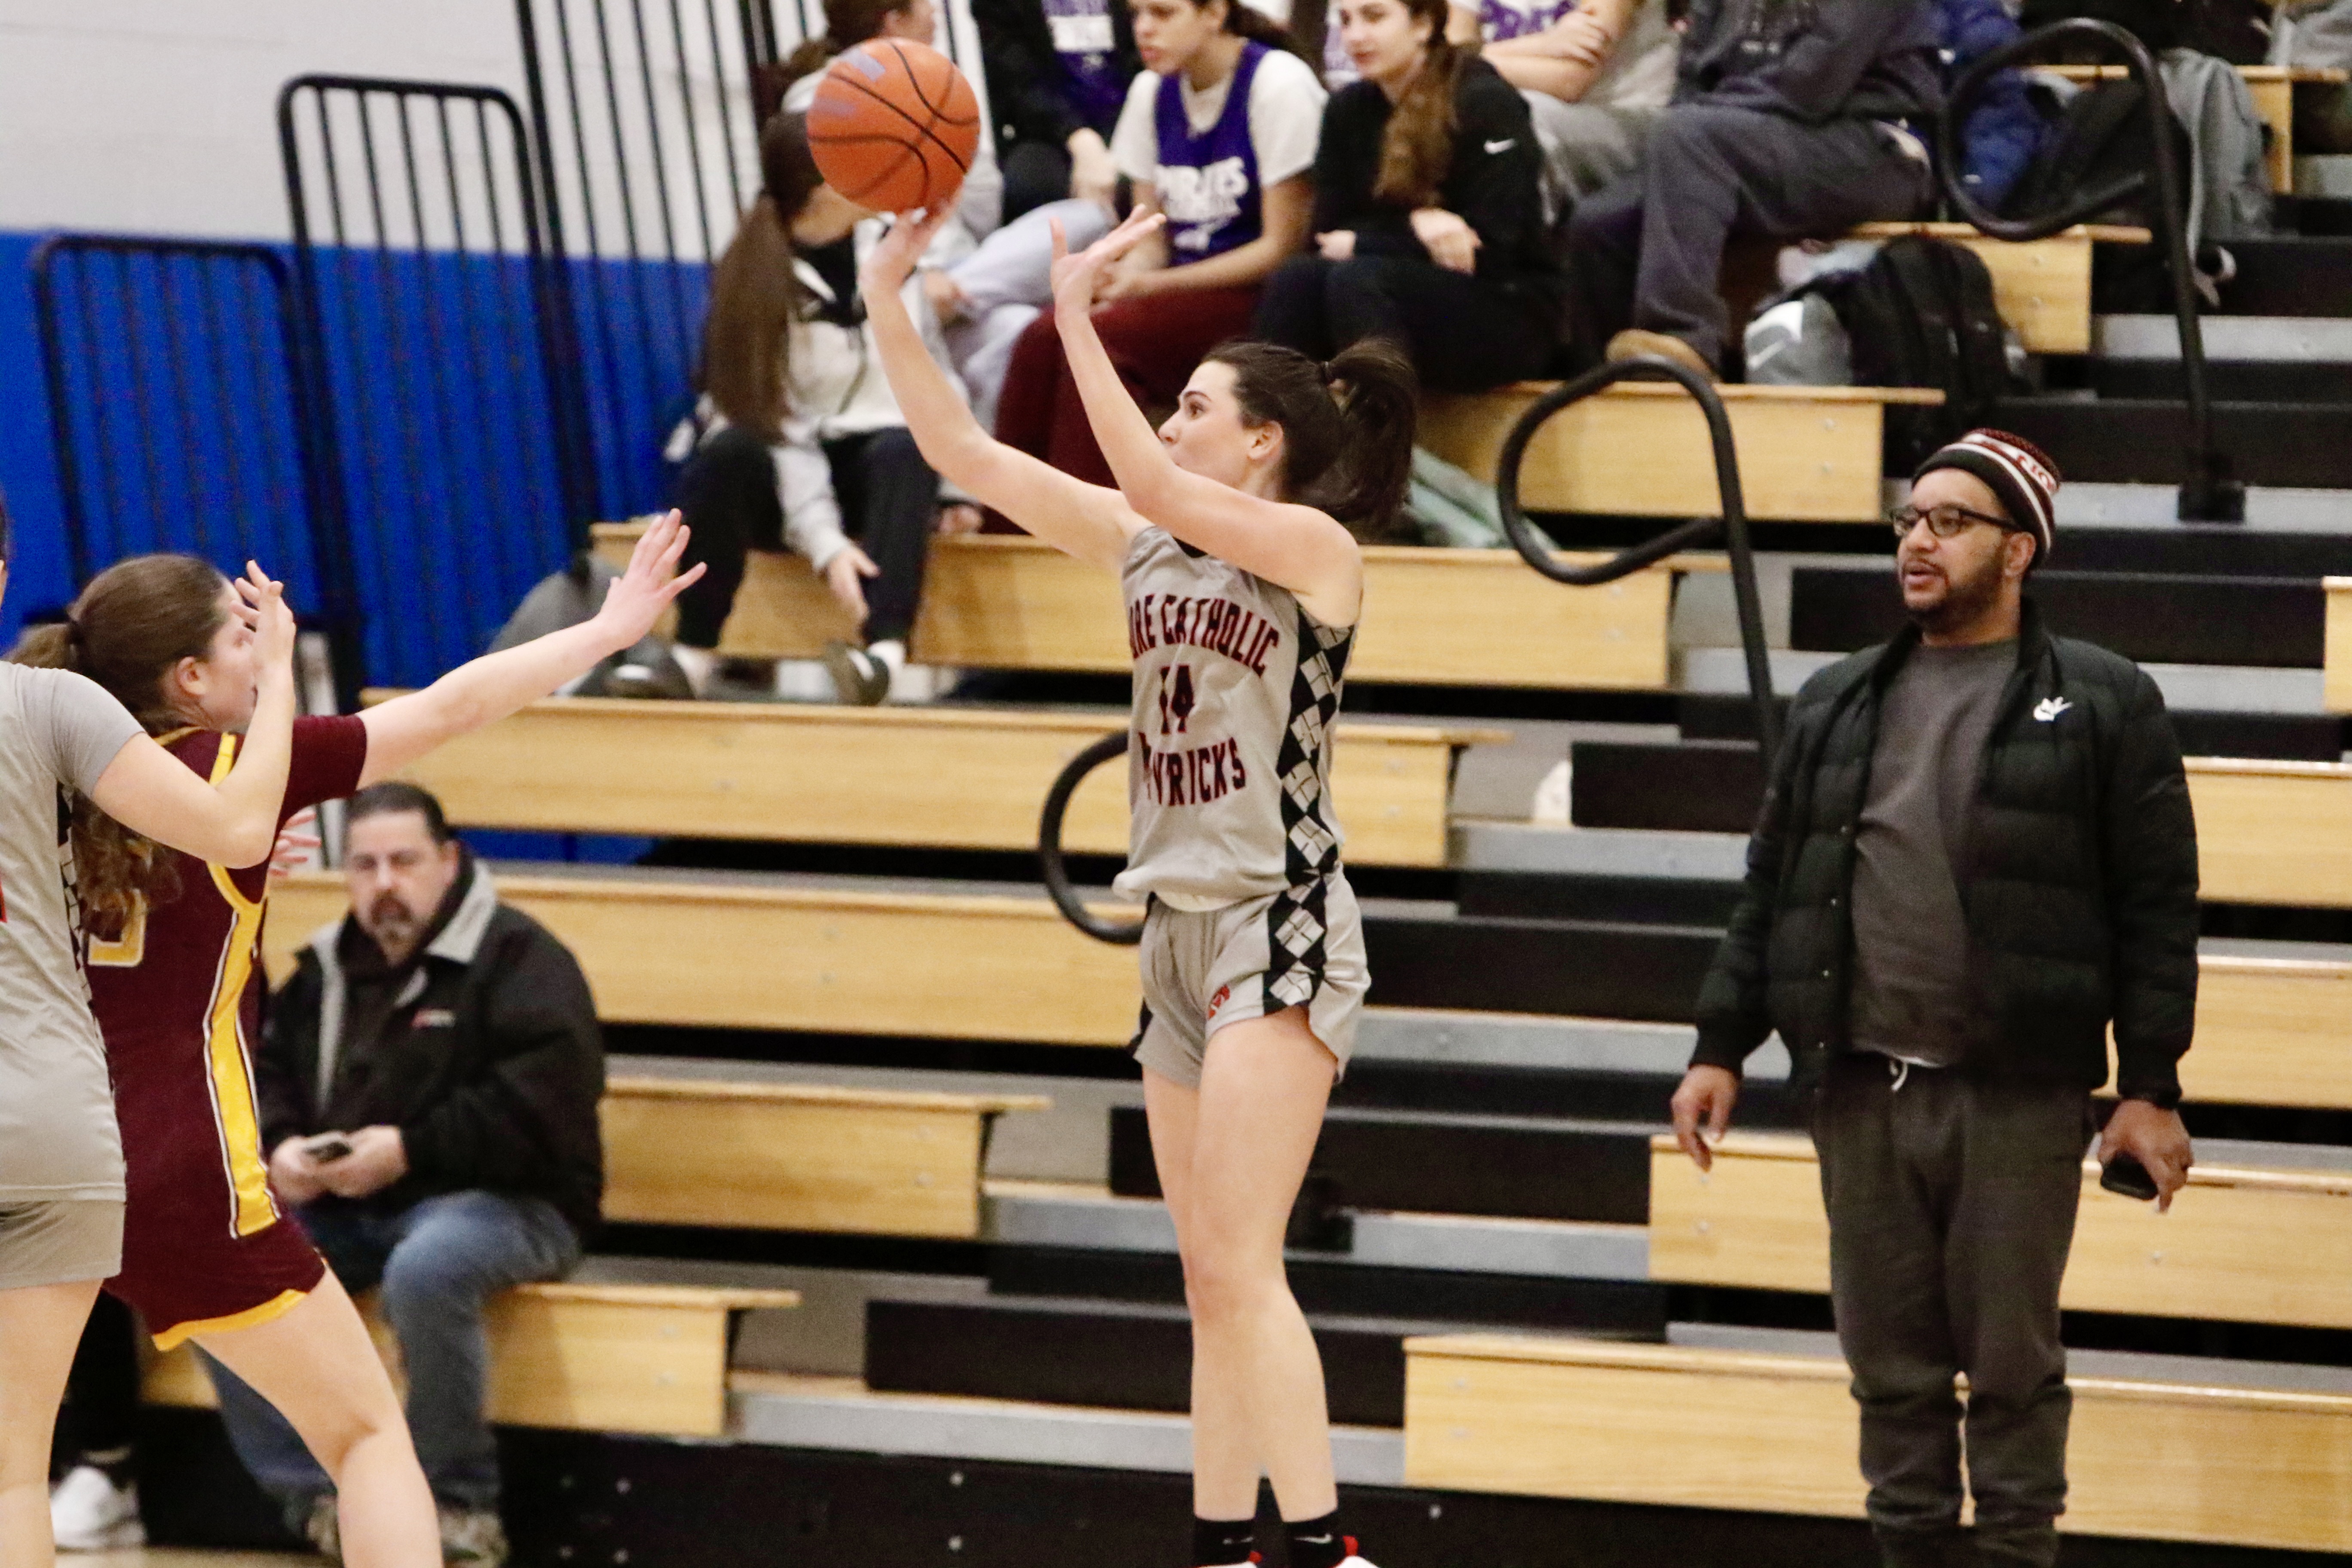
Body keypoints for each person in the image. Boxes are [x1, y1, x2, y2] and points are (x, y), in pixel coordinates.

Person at [863, 196, 1407, 1568]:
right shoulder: (1147, 540)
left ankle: (1333, 1551)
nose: (1168, 425)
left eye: (1195, 405)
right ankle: (1223, 1548)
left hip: (1275, 920)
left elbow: (1163, 487)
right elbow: (958, 448)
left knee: (1243, 1259)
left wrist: (1072, 320)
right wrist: (886, 301)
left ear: (1262, 441)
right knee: (1208, 1277)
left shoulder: (1318, 556)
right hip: (1170, 929)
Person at [9, 515, 700, 1568]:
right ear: (192, 676)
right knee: (369, 1437)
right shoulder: (239, 765)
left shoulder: (44, 778)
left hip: (42, 1150)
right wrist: (608, 631)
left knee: (15, 1469)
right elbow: (453, 703)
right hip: (181, 1162)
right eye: (244, 639)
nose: (260, 651)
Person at [1670, 430, 2200, 1568]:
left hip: (2016, 1094)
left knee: (2012, 1374)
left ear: (2020, 549)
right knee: (1891, 1379)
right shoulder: (1838, 698)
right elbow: (1777, 881)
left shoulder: (2105, 699)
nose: (1917, 541)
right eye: (1909, 520)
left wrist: (2148, 1087)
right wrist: (1720, 1041)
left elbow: (2158, 908)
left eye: (1949, 522)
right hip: (1861, 1087)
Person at [0, 505, 299, 1568]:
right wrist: (284, 699)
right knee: (12, 1473)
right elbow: (227, 828)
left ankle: (111, 1468)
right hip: (73, 1118)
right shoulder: (50, 713)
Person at [204, 783, 602, 1566]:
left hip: (514, 1202)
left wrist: (411, 1148)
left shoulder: (524, 958)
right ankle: (320, 1501)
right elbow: (265, 1072)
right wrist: (282, 1146)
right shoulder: (323, 967)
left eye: (404, 861)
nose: (384, 882)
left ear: (449, 861)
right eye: (365, 864)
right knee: (216, 1267)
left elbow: (545, 1106)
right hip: (350, 1207)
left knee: (427, 1266)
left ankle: (455, 1505)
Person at [670, 113, 979, 705]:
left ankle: (882, 658)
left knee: (904, 443)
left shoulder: (889, 252)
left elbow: (935, 375)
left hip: (869, 466)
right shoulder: (753, 278)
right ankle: (692, 655)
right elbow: (776, 429)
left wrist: (961, 487)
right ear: (822, 189)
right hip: (779, 477)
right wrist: (825, 541)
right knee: (726, 455)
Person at [993, 0, 1326, 487]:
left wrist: (1151, 285)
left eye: (1163, 13)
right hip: (1176, 293)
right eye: (1136, 15)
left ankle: (1098, 528)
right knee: (1043, 335)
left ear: (1214, 14)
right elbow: (1151, 234)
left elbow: (1280, 248)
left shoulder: (1278, 83)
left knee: (1104, 342)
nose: (1144, 30)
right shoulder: (1151, 90)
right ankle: (1010, 533)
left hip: (1257, 298)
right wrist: (1123, 275)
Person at [776, 0, 1116, 432]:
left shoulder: (939, 83)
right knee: (1021, 319)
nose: (937, 10)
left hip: (963, 271)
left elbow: (981, 204)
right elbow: (832, 219)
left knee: (1081, 230)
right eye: (926, 3)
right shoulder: (820, 97)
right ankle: (930, 299)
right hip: (885, 282)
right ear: (894, 19)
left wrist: (962, 276)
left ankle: (948, 300)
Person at [1565, 0, 1944, 379]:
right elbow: (1692, 78)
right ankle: (1596, 390)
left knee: (1688, 135)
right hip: (1751, 136)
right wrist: (1699, 122)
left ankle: (1682, 339)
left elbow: (1814, 83)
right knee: (1599, 222)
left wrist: (1703, 122)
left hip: (1875, 144)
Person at [1253, 0, 1566, 394]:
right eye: (1346, 21)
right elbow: (1326, 236)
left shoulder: (1484, 100)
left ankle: (1382, 442)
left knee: (1362, 279)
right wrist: (1418, 225)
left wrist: (1366, 242)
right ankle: (1268, 429)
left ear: (1423, 24)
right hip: (1407, 288)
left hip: (1510, 307)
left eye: (1374, 17)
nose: (1355, 36)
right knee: (1296, 279)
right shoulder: (1347, 109)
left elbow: (1491, 247)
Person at [1464, 0, 1678, 210]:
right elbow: (1445, 60)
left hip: (1626, 119)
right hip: (1535, 106)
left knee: (1511, 118)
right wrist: (1545, 44)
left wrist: (1465, 60)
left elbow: (1570, 81)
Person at [972, 0, 1142, 220]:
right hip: (1046, 130)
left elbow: (1143, 59)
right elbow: (1018, 81)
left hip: (1130, 115)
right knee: (1033, 183)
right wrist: (1080, 139)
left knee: (1145, 177)